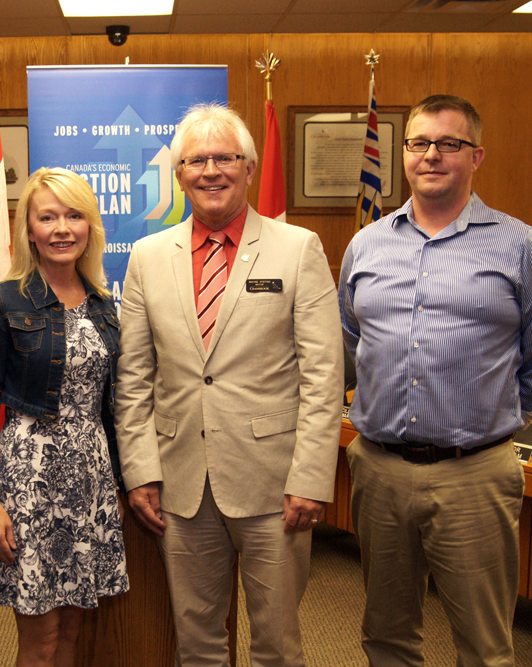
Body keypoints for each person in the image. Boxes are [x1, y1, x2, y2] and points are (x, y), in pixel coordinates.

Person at [339, 94, 532, 667]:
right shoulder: (367, 244)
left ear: (477, 156)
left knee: (484, 645)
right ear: (404, 153)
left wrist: (499, 415)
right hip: (380, 467)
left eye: (450, 144)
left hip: (475, 474)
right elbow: (349, 340)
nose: (432, 155)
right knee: (387, 636)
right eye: (419, 143)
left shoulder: (522, 248)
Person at [115, 102, 344, 667]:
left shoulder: (298, 248)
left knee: (276, 642)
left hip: (274, 484)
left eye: (225, 158)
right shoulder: (146, 257)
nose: (211, 170)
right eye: (197, 160)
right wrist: (140, 469)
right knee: (196, 642)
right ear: (179, 174)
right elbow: (134, 376)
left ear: (249, 167)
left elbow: (322, 373)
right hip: (181, 481)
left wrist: (313, 476)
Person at [0, 167, 129, 667]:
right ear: (28, 228)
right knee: (41, 640)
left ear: (89, 226)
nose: (61, 228)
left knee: (74, 632)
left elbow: (110, 407)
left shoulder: (102, 305)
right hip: (29, 479)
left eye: (74, 215)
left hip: (90, 478)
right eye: (48, 217)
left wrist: (116, 484)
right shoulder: (2, 301)